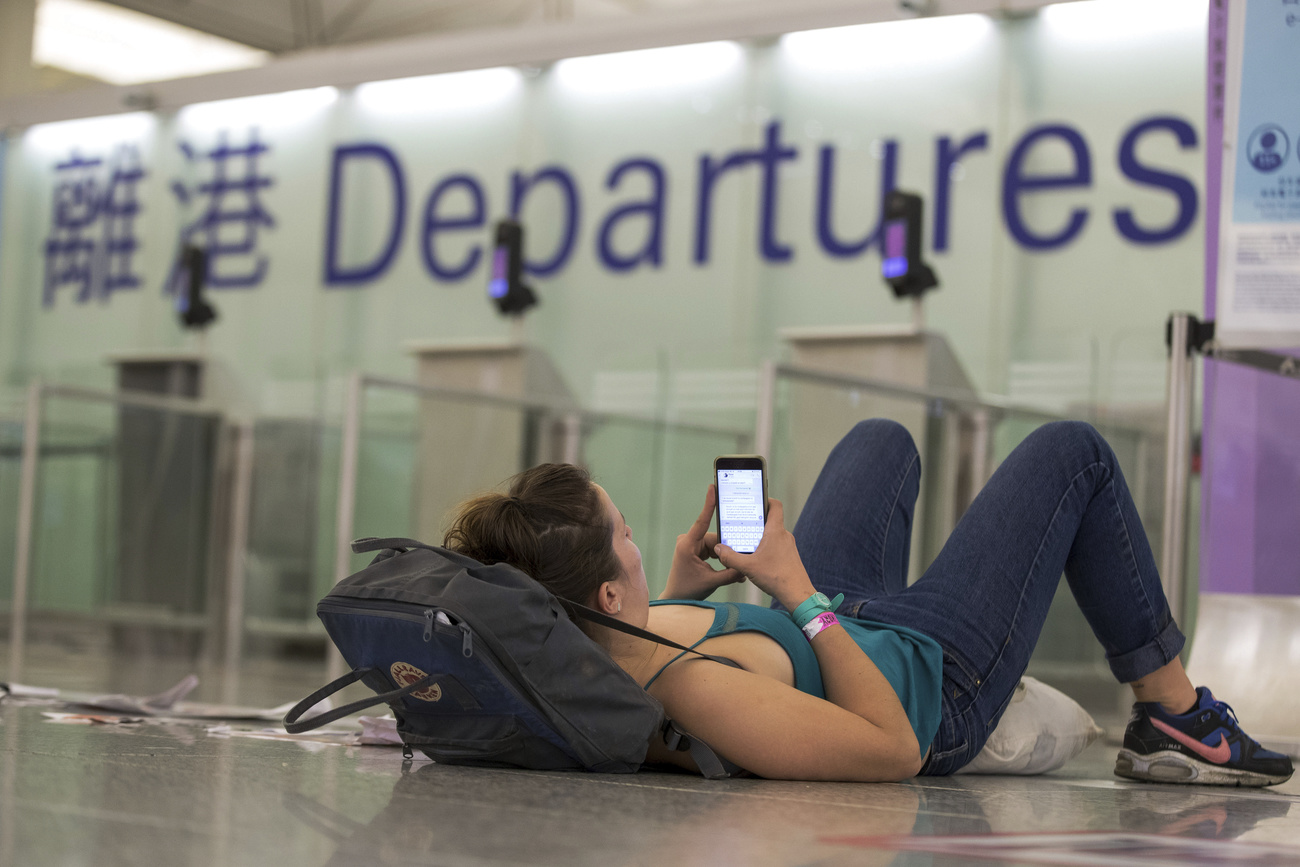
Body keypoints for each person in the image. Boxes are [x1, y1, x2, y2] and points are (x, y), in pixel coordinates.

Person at [444, 419, 1293, 786]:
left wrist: (675, 588)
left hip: (845, 621)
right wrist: (796, 592)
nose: (637, 534)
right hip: (933, 677)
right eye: (625, 531)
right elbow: (890, 748)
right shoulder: (693, 688)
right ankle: (1176, 715)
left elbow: (647, 647)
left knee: (878, 440)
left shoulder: (598, 638)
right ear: (602, 590)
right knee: (1074, 454)